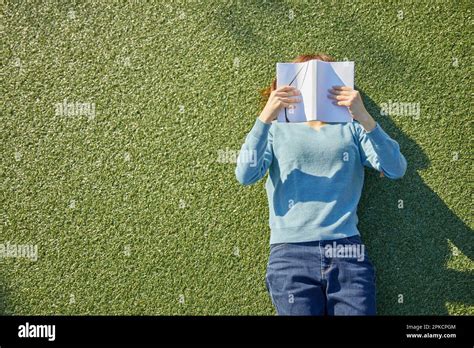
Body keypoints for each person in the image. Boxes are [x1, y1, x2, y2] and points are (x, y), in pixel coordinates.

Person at [235, 53, 407, 315]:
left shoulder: (351, 129)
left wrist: (364, 117)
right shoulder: (275, 131)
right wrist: (265, 117)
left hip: (347, 250)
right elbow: (245, 174)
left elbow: (396, 168)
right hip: (290, 254)